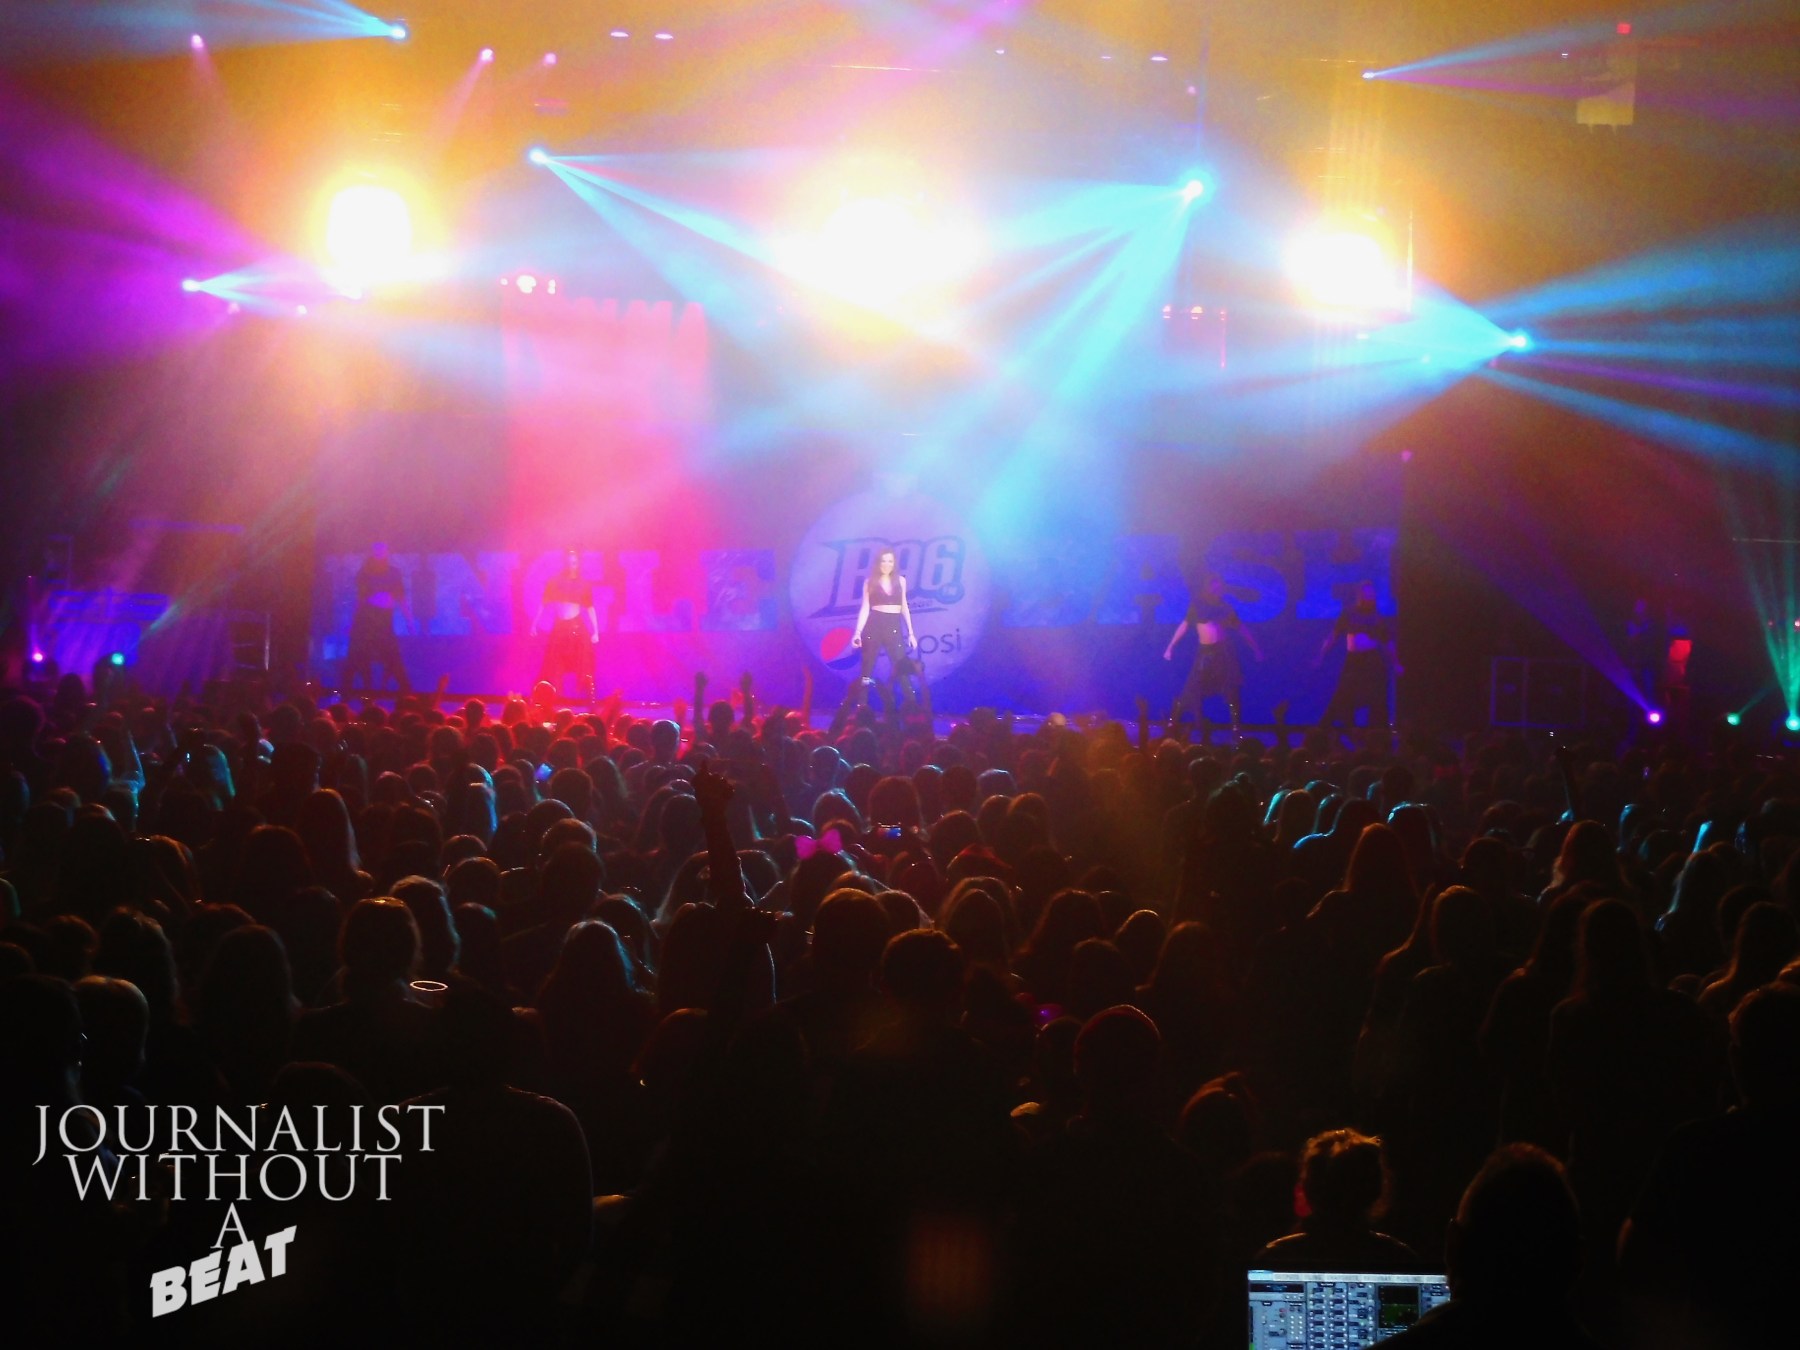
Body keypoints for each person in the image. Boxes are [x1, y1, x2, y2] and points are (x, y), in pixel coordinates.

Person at [1164, 572, 1262, 733]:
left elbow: (1242, 629)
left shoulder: (1225, 608)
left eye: (1219, 587)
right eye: (1213, 586)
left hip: (1223, 653)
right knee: (1193, 687)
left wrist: (1255, 648)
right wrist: (1170, 647)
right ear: (1207, 587)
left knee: (1231, 689)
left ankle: (1236, 728)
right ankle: (1173, 721)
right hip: (1204, 653)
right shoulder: (1198, 605)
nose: (1217, 590)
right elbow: (1184, 625)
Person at [1316, 579, 1400, 729]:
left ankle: (1376, 732)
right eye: (1365, 593)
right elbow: (1333, 636)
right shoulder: (1349, 613)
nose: (1368, 595)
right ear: (1360, 594)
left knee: (1376, 697)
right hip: (1354, 661)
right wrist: (1320, 657)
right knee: (1343, 695)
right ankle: (1330, 729)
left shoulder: (1377, 617)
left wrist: (1396, 663)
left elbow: (1388, 642)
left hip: (1372, 661)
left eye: (1371, 593)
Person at [846, 548, 917, 721]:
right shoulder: (870, 582)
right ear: (878, 563)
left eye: (890, 561)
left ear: (894, 563)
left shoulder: (901, 581)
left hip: (893, 626)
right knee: (866, 669)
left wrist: (911, 633)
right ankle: (862, 708)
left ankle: (913, 708)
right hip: (874, 625)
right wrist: (857, 632)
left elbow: (904, 606)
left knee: (901, 667)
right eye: (884, 561)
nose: (887, 564)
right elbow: (865, 608)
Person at [529, 549, 599, 701]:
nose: (571, 566)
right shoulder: (555, 582)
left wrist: (596, 631)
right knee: (554, 662)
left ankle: (586, 696)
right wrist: (534, 624)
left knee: (584, 661)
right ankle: (554, 696)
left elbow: (590, 608)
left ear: (578, 564)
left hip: (576, 626)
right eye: (568, 562)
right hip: (559, 626)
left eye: (574, 562)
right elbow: (543, 604)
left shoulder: (583, 584)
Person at [343, 541, 411, 694]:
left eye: (382, 550)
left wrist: (409, 620)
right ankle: (352, 695)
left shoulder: (394, 573)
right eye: (377, 550)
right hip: (366, 619)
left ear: (387, 552)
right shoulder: (364, 572)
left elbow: (401, 598)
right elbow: (359, 599)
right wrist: (352, 622)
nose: (380, 554)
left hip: (384, 620)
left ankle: (407, 693)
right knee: (358, 657)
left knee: (392, 656)